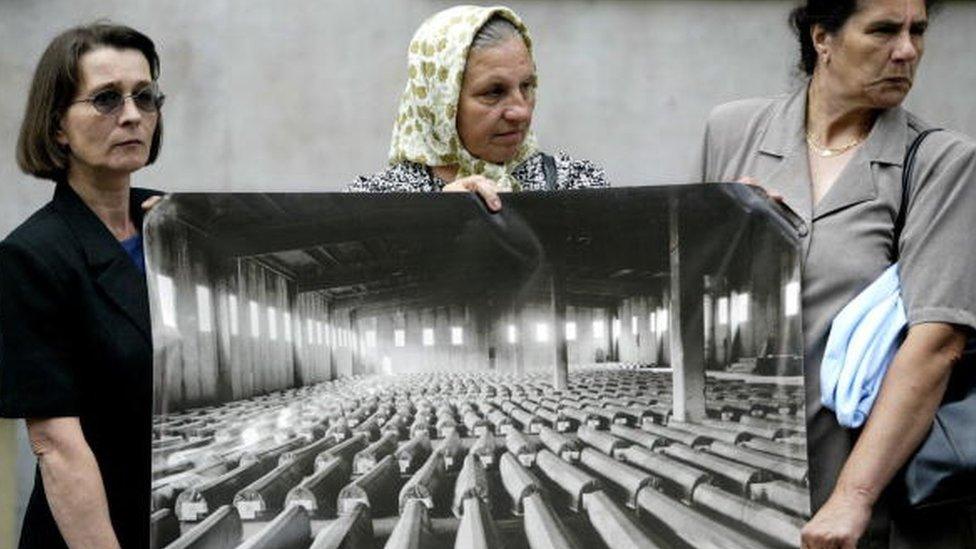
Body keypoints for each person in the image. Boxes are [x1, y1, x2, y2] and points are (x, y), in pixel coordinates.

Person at [695, 1, 975, 547]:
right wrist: (733, 228)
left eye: (918, 31)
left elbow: (937, 342)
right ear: (823, 38)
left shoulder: (942, 162)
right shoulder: (733, 131)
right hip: (748, 465)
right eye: (884, 31)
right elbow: (693, 284)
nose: (907, 51)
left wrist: (853, 499)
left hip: (868, 491)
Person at [0, 23, 165, 548]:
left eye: (146, 95)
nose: (133, 114)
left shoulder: (177, 221)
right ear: (57, 128)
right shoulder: (32, 256)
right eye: (106, 99)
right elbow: (57, 444)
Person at [348, 5, 608, 204]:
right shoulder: (372, 205)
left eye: (526, 86)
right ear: (441, 105)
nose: (521, 111)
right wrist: (430, 218)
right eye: (494, 92)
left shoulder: (576, 186)